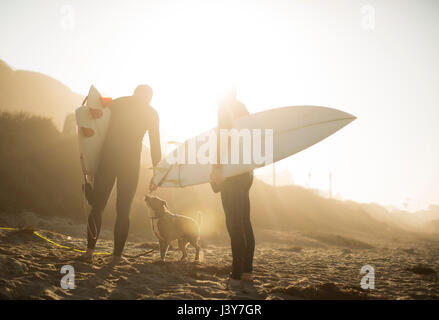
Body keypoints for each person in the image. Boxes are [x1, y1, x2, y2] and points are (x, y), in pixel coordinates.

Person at [79, 85, 161, 264]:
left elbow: (96, 107)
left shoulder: (120, 102)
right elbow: (155, 145)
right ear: (150, 97)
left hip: (108, 159)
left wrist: (87, 154)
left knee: (98, 206)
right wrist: (157, 174)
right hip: (130, 165)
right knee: (123, 211)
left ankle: (89, 252)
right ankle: (116, 256)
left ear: (135, 93)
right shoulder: (151, 113)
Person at [210, 87, 255, 289]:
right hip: (246, 172)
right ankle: (247, 272)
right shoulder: (244, 111)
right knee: (244, 221)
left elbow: (223, 137)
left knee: (234, 224)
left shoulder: (224, 109)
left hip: (230, 172)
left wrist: (217, 168)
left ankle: (235, 276)